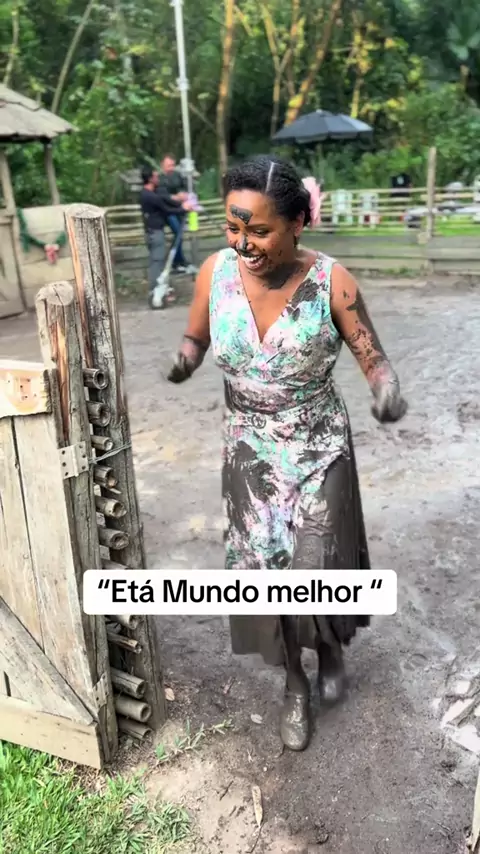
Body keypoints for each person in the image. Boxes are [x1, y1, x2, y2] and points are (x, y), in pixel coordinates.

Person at [166, 154, 408, 752]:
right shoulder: (214, 273)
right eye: (233, 227)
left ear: (298, 222)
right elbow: (196, 335)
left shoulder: (332, 282)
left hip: (319, 448)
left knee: (316, 566)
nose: (243, 243)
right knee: (264, 574)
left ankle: (330, 649)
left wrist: (387, 391)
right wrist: (184, 361)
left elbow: (374, 360)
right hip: (249, 453)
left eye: (259, 229)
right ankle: (294, 684)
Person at [139, 166, 191, 304]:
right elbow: (166, 209)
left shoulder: (150, 193)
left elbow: (166, 199)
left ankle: (159, 289)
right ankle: (155, 291)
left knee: (158, 261)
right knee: (157, 262)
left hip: (154, 232)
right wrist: (183, 209)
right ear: (150, 179)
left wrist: (179, 201)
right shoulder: (150, 196)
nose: (158, 178)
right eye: (155, 176)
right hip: (155, 233)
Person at [159, 154, 197, 275]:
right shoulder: (160, 179)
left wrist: (183, 194)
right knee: (177, 233)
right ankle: (176, 261)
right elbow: (163, 196)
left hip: (179, 209)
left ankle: (179, 260)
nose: (171, 168)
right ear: (162, 165)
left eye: (172, 165)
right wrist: (175, 197)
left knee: (179, 234)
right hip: (168, 211)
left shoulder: (177, 175)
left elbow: (185, 186)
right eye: (168, 165)